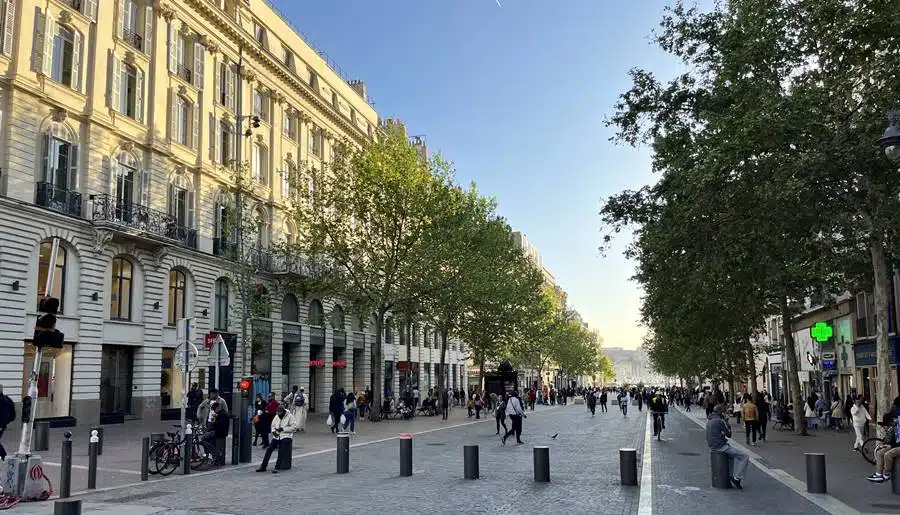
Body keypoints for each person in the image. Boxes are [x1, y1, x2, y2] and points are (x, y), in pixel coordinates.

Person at [706, 404, 748, 489]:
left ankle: (730, 476)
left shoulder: (710, 420)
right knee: (744, 457)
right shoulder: (720, 421)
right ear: (720, 412)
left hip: (712, 445)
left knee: (731, 457)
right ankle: (737, 477)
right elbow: (729, 434)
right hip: (721, 446)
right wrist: (727, 422)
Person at [256, 405, 298, 473]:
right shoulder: (276, 416)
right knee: (269, 449)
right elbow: (273, 425)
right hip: (277, 436)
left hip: (286, 436)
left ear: (283, 411)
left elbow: (294, 427)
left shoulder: (290, 416)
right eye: (277, 413)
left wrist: (283, 429)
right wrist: (274, 432)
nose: (278, 414)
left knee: (281, 450)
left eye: (280, 413)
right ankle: (263, 466)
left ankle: (277, 467)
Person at [0, 385, 15, 460]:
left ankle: (4, 457)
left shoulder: (3, 401)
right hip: (2, 425)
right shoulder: (8, 399)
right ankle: (4, 457)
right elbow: (13, 416)